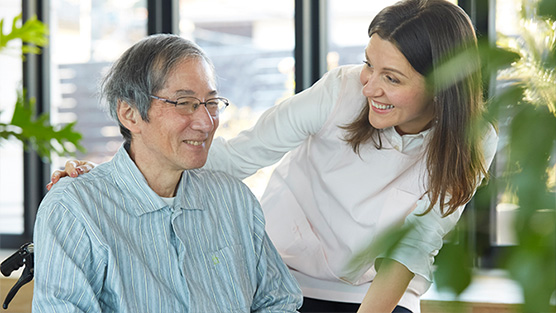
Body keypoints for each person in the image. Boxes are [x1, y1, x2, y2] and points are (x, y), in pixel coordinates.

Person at [48, 0, 499, 312]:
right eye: (368, 64)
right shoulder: (342, 90)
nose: (369, 85)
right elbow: (239, 154)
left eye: (392, 78)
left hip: (378, 292)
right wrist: (108, 181)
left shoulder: (475, 140)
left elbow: (414, 246)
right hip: (291, 276)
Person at [33, 33, 302, 312]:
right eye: (185, 103)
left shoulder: (234, 200)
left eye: (211, 102)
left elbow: (279, 302)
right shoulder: (75, 208)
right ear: (130, 114)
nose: (206, 122)